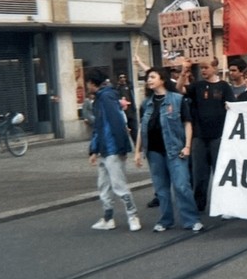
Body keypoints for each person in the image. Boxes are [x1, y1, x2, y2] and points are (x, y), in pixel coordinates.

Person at [134, 67, 202, 232]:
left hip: (175, 150)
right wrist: (137, 151)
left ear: (162, 79)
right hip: (153, 152)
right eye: (147, 78)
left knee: (181, 185)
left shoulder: (178, 100)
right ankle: (165, 220)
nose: (149, 80)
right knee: (161, 189)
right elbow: (142, 128)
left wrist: (187, 146)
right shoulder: (146, 103)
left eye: (152, 77)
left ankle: (191, 220)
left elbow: (187, 124)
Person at [176, 57, 236, 213]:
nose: (203, 70)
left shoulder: (224, 87)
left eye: (206, 67)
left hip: (218, 136)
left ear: (215, 68)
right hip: (199, 136)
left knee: (220, 172)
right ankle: (199, 205)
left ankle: (224, 205)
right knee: (199, 174)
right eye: (201, 68)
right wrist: (184, 71)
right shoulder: (197, 86)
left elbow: (233, 107)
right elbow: (179, 89)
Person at [86, 68, 141, 232]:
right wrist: (94, 150)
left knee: (118, 184)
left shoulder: (105, 98)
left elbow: (114, 123)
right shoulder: (104, 97)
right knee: (104, 185)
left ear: (91, 83)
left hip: (111, 147)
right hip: (107, 147)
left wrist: (118, 146)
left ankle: (132, 216)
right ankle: (109, 217)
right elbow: (101, 126)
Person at [115, 73, 138, 144]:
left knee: (134, 128)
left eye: (123, 77)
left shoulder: (129, 86)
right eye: (121, 77)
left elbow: (132, 97)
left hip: (131, 110)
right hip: (123, 111)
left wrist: (134, 108)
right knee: (124, 129)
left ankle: (137, 143)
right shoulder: (117, 88)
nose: (122, 79)